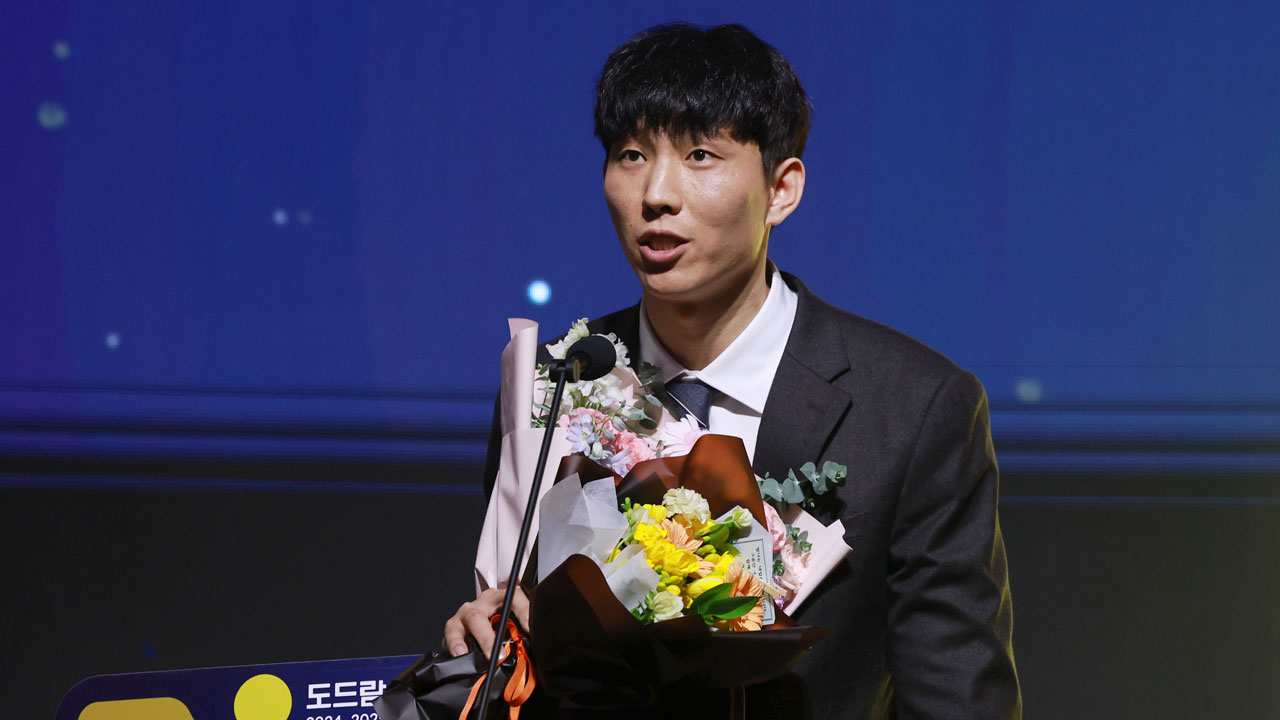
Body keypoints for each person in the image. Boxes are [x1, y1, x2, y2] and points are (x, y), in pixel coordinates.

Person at [445, 22, 1021, 719]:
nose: (656, 193)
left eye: (700, 155)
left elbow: (958, 698)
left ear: (782, 189)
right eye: (631, 154)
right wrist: (491, 644)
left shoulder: (915, 408)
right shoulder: (558, 383)